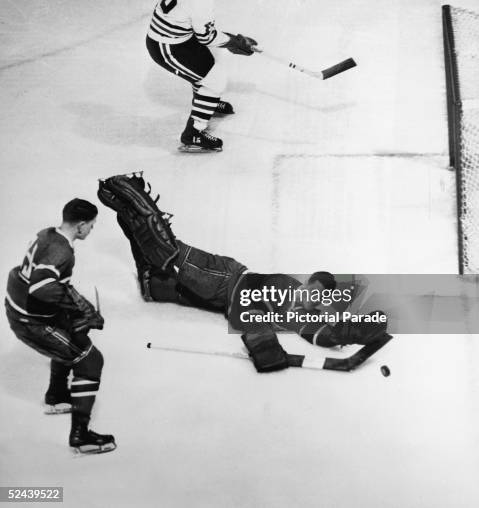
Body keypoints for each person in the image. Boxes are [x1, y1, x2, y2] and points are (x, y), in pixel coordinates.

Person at [98, 173, 388, 371]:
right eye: (318, 293)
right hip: (225, 278)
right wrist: (266, 349)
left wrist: (348, 332)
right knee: (170, 254)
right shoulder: (287, 292)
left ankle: (126, 208)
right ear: (310, 283)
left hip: (217, 290)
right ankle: (128, 190)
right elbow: (254, 313)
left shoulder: (299, 309)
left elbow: (316, 332)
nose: (318, 301)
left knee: (153, 271)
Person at [4, 199, 116, 455]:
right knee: (90, 361)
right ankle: (81, 437)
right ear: (80, 226)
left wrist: (78, 311)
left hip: (20, 307)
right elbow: (41, 288)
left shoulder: (49, 235)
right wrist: (81, 309)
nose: (91, 230)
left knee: (75, 330)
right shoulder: (62, 252)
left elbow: (45, 284)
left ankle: (56, 395)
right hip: (30, 320)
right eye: (91, 225)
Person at [145, 0, 258, 152]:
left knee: (208, 69)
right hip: (166, 46)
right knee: (215, 81)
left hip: (181, 38)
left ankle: (207, 103)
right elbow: (206, 36)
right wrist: (236, 42)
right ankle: (193, 134)